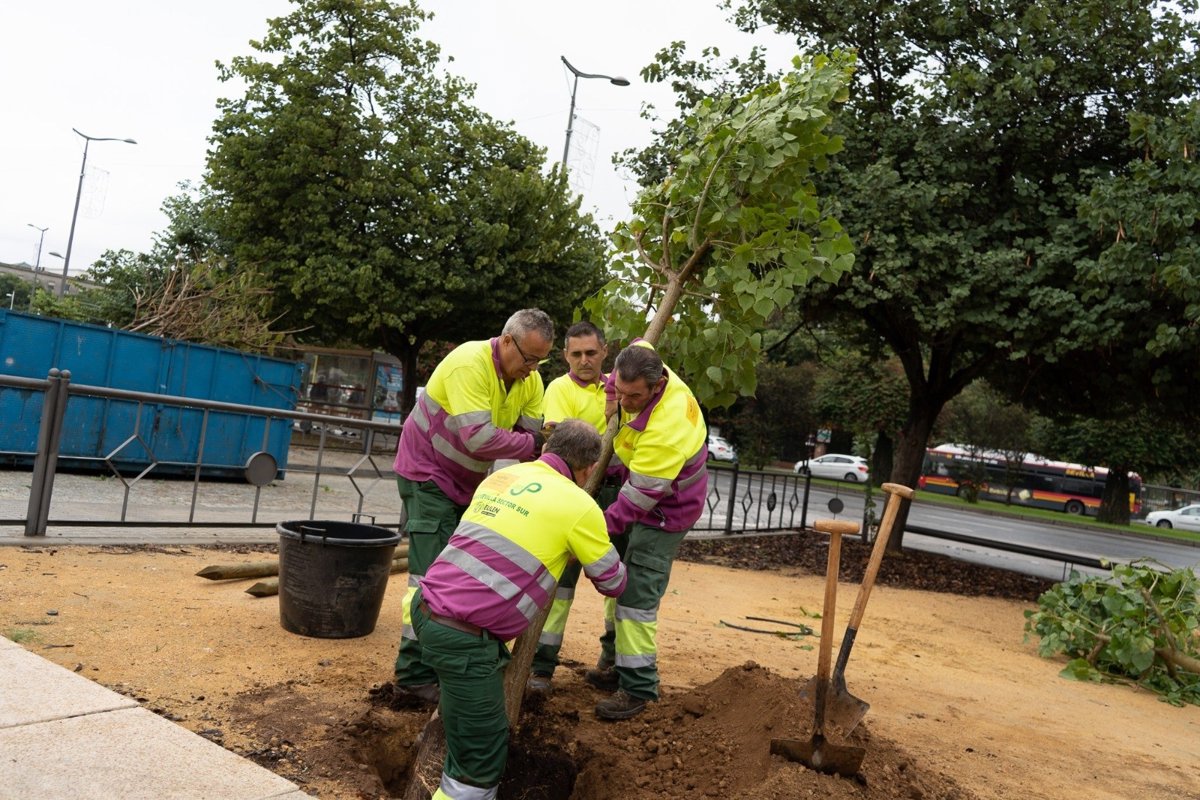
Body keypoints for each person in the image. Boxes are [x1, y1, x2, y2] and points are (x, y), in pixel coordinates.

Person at [412, 419, 627, 800]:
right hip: (463, 638)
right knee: (480, 759)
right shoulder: (579, 506)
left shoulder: (502, 477)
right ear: (590, 468)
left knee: (468, 722)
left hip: (427, 609)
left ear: (546, 449)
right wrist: (584, 544)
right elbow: (613, 582)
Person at [392, 308, 554, 705]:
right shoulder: (470, 363)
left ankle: (439, 664)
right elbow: (480, 439)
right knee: (428, 576)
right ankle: (412, 675)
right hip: (427, 475)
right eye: (529, 358)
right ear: (507, 340)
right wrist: (533, 444)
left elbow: (531, 442)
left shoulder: (530, 381)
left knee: (456, 574)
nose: (533, 369)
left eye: (540, 361)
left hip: (466, 485)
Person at [587, 338, 709, 721]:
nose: (625, 402)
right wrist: (612, 396)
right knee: (618, 580)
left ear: (657, 386)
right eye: (621, 392)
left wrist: (588, 535)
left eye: (634, 397)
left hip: (666, 511)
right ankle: (615, 664)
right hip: (643, 486)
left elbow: (632, 505)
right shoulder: (640, 358)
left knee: (636, 597)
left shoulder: (667, 430)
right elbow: (629, 360)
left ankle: (639, 688)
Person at [528, 321, 612, 692]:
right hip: (569, 493)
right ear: (565, 356)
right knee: (560, 585)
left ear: (605, 351)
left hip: (611, 495)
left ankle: (612, 660)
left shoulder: (616, 388)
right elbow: (569, 445)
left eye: (591, 353)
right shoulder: (560, 389)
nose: (584, 360)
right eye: (576, 354)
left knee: (614, 582)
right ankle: (540, 667)